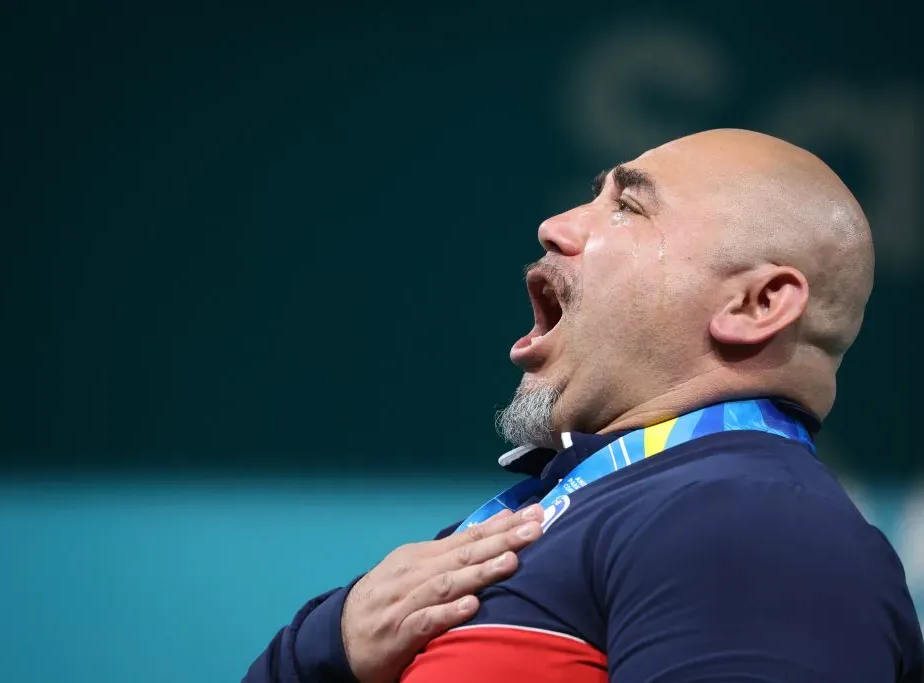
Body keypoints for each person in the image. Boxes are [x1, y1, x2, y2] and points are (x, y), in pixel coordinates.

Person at [242, 129, 923, 682]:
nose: (554, 226)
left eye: (626, 207)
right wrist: (329, 641)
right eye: (592, 197)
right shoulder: (588, 509)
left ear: (756, 304)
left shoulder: (755, 520)